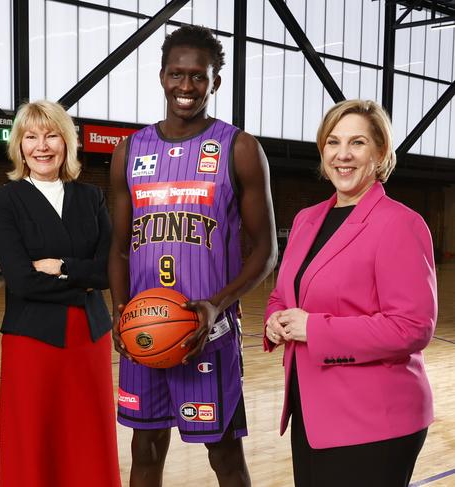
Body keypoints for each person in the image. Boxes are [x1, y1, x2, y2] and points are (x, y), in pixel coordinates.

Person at [109, 25, 277, 487]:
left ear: (215, 81)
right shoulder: (129, 151)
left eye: (198, 77)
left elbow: (265, 251)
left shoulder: (239, 148)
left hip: (210, 332)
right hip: (145, 329)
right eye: (177, 75)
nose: (186, 87)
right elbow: (120, 249)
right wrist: (121, 311)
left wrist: (215, 304)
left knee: (224, 456)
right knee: (143, 451)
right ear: (162, 77)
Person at [264, 99, 436, 487]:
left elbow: (411, 328)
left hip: (376, 420)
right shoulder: (307, 220)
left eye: (357, 143)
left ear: (379, 153)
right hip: (311, 412)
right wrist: (276, 320)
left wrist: (315, 329)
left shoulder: (400, 224)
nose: (343, 155)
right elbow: (284, 294)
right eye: (333, 142)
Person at [0, 100, 121, 487]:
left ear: (67, 142)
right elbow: (22, 280)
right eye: (31, 137)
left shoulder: (90, 197)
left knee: (88, 436)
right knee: (34, 438)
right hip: (33, 339)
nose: (41, 146)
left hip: (89, 337)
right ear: (19, 145)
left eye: (51, 135)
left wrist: (63, 266)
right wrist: (85, 280)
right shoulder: (3, 200)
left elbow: (110, 270)